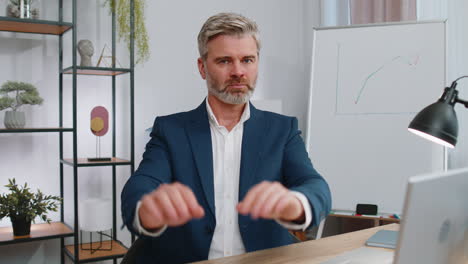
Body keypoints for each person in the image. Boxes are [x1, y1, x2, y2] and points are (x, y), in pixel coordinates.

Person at [121, 12, 331, 264]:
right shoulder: (171, 130)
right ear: (202, 67)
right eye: (224, 61)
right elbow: (142, 184)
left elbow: (315, 185)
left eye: (247, 60)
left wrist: (296, 203)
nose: (238, 72)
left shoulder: (282, 129)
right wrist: (147, 208)